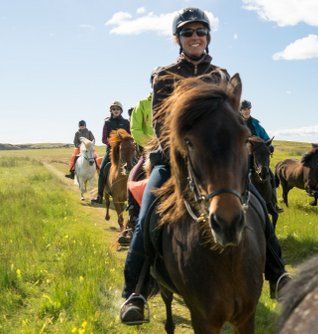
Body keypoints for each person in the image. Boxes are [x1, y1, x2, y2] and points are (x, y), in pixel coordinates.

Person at [119, 7, 290, 325]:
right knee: (148, 213)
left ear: (208, 37)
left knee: (258, 202)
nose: (194, 37)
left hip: (217, 159)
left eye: (200, 31)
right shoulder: (165, 76)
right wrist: (183, 152)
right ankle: (135, 292)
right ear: (177, 39)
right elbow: (160, 124)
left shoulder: (220, 75)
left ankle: (277, 273)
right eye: (187, 32)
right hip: (175, 160)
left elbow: (228, 119)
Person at [119, 92, 154, 245]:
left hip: (174, 150)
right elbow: (135, 129)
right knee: (133, 176)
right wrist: (153, 143)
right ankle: (132, 223)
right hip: (149, 151)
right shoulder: (142, 105)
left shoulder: (175, 101)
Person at [240, 99, 284, 213]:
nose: (246, 111)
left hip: (257, 156)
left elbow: (265, 137)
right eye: (244, 109)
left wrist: (270, 146)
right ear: (240, 110)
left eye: (248, 108)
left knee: (271, 176)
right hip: (241, 155)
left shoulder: (255, 123)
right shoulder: (235, 123)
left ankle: (273, 203)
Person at [91, 101, 131, 204]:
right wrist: (114, 144)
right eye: (113, 109)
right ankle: (99, 196)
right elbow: (104, 139)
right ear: (111, 111)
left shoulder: (126, 122)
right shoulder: (107, 122)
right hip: (111, 151)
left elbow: (129, 136)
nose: (115, 111)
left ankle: (133, 197)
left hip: (124, 151)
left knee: (134, 167)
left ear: (121, 111)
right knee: (103, 169)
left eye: (117, 109)